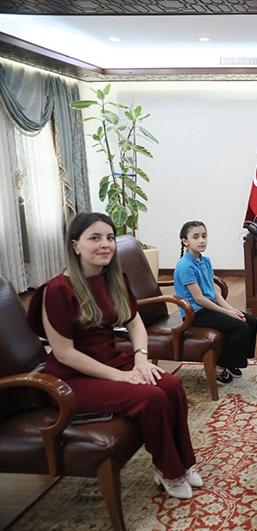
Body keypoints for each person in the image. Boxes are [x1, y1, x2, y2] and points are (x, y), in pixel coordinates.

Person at [27, 212, 200, 499]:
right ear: (75, 246)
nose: (105, 244)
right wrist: (120, 376)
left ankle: (183, 463)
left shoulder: (112, 278)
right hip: (71, 378)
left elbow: (135, 323)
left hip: (110, 359)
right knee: (151, 397)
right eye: (94, 238)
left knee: (171, 385)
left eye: (109, 238)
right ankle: (168, 470)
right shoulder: (56, 290)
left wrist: (141, 360)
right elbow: (64, 354)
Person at [174, 221, 257, 384]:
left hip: (208, 307)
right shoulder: (185, 266)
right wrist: (227, 313)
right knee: (240, 327)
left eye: (204, 236)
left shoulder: (205, 261)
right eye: (196, 237)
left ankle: (233, 361)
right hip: (195, 312)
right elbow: (199, 299)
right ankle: (218, 367)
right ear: (185, 241)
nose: (202, 240)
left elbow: (213, 292)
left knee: (250, 321)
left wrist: (231, 309)